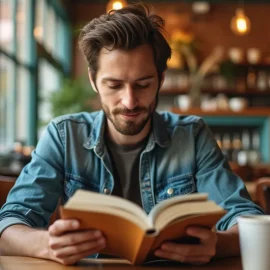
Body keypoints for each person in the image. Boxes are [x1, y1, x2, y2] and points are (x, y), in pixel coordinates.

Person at [0, 4, 263, 266]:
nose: (129, 101)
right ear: (93, 79)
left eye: (143, 84)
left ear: (160, 79)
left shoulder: (192, 135)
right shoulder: (63, 135)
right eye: (114, 85)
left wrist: (216, 245)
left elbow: (247, 220)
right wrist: (48, 245)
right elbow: (8, 227)